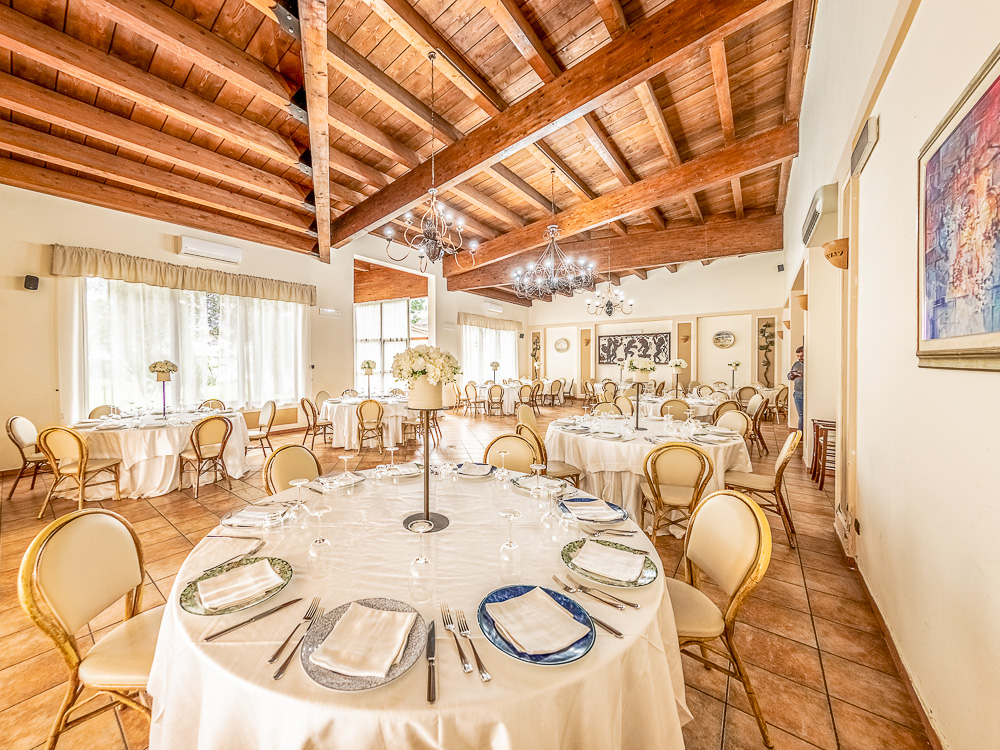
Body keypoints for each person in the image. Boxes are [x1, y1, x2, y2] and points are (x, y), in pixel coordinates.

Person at [788, 345, 804, 432]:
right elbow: (789, 376)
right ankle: (800, 434)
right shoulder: (796, 364)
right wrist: (792, 375)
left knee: (804, 415)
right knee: (801, 414)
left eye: (802, 356)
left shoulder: (811, 364)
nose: (799, 358)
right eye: (798, 356)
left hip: (808, 393)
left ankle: (801, 434)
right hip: (797, 393)